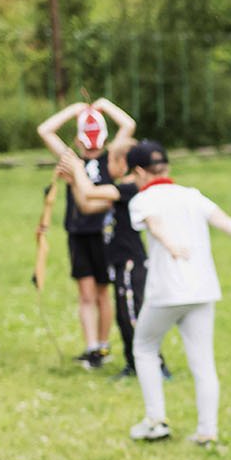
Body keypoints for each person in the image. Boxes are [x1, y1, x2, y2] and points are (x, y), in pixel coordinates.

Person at [121, 142, 231, 445]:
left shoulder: (142, 199)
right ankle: (207, 431)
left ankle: (155, 421)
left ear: (139, 172)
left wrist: (169, 244)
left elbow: (154, 223)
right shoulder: (191, 195)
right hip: (202, 289)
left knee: (145, 347)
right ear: (166, 167)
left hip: (166, 292)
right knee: (203, 362)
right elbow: (223, 221)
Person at [36, 99, 136, 369]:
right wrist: (74, 110)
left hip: (105, 232)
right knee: (86, 292)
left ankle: (103, 346)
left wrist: (104, 106)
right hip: (78, 230)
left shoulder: (111, 158)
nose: (92, 148)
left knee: (103, 292)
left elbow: (128, 125)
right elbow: (45, 130)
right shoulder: (71, 159)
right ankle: (91, 347)